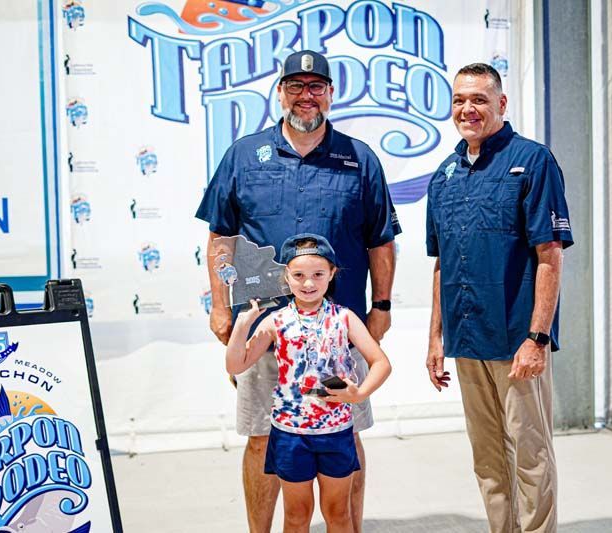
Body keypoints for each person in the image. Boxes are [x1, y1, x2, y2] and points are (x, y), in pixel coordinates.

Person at [195, 49, 401, 533]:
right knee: (263, 437)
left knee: (345, 433)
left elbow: (381, 241)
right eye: (295, 86)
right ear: (281, 92)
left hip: (337, 330)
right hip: (265, 328)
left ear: (330, 93)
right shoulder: (245, 155)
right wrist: (220, 306)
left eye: (315, 87)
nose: (305, 97)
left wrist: (383, 307)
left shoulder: (359, 158)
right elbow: (220, 237)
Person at [425, 63, 574, 533]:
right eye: (459, 101)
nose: (468, 109)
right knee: (488, 459)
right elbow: (442, 263)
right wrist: (435, 338)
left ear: (501, 104)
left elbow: (549, 253)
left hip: (515, 340)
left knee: (530, 455)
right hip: (467, 340)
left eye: (480, 99)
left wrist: (537, 337)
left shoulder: (532, 161)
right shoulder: (444, 176)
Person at [226, 234, 391, 533]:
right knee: (296, 516)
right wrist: (242, 324)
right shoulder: (275, 321)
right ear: (285, 276)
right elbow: (236, 364)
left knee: (338, 514)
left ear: (332, 273)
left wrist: (359, 393)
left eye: (317, 274)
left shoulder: (345, 318)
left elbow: (381, 363)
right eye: (299, 275)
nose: (308, 283)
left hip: (336, 433)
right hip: (290, 436)